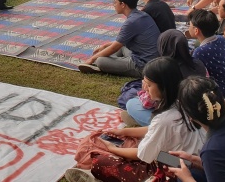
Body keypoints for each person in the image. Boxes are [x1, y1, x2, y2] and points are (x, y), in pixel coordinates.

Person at [66, 57, 205, 182]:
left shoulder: (165, 118)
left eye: (149, 85)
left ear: (164, 87)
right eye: (144, 83)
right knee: (130, 142)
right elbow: (156, 131)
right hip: (187, 161)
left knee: (101, 161)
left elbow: (141, 155)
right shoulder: (183, 100)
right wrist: (124, 133)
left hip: (178, 170)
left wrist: (112, 148)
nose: (145, 88)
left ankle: (96, 176)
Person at [123, 29, 207, 126]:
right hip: (197, 113)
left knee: (131, 103)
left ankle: (147, 124)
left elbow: (155, 99)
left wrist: (146, 89)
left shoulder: (168, 70)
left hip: (176, 120)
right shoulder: (198, 63)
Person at [78, 0, 159, 77]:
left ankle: (106, 64)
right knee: (120, 46)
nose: (114, 5)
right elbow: (119, 43)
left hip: (142, 66)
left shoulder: (131, 22)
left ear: (123, 4)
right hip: (149, 59)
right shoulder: (142, 15)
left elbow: (114, 48)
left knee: (100, 60)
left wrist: (91, 59)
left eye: (115, 2)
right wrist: (105, 46)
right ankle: (116, 61)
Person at [188, 9, 225, 101]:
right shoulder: (222, 39)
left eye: (190, 25)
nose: (188, 27)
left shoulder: (200, 52)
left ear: (196, 30)